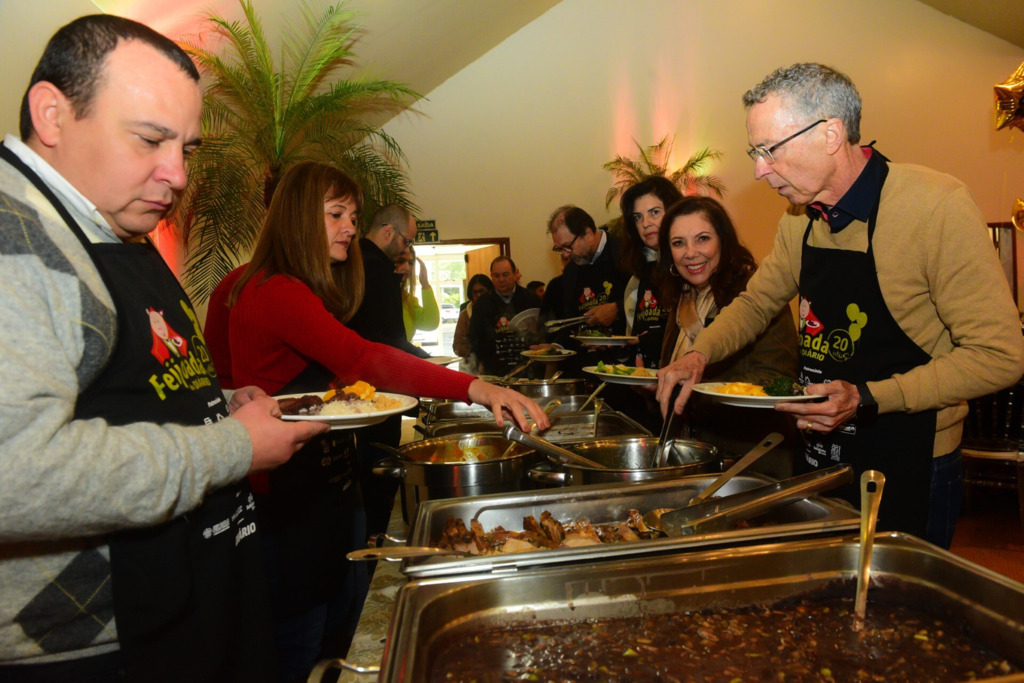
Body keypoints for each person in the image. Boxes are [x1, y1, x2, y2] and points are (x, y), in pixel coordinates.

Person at [0, 15, 324, 682]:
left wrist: (221, 404)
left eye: (187, 148)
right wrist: (231, 445)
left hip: (191, 600)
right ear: (52, 113)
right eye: (150, 140)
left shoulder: (110, 219)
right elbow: (16, 472)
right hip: (92, 646)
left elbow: (130, 384)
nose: (175, 175)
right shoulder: (15, 239)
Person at [204, 161, 548, 680]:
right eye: (337, 214)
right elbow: (363, 359)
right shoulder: (276, 289)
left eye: (353, 214)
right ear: (298, 217)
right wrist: (476, 388)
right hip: (289, 502)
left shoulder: (290, 285)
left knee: (334, 636)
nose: (349, 227)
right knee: (303, 651)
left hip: (319, 489)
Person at [656, 62, 1024, 548]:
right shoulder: (799, 217)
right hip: (821, 453)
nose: (758, 170)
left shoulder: (934, 206)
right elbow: (757, 301)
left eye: (770, 151)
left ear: (830, 133)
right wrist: (697, 353)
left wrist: (868, 397)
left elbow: (1001, 356)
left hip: (910, 458)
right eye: (755, 152)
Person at [656, 197, 798, 475]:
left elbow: (778, 381)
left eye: (703, 239)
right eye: (678, 243)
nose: (690, 253)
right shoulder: (681, 298)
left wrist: (697, 389)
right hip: (694, 453)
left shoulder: (757, 294)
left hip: (750, 458)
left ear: (723, 240)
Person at [618, 176, 684, 369]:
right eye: (638, 217)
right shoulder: (637, 278)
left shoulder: (693, 268)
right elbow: (632, 333)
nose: (645, 223)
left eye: (654, 212)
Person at [347, 204, 428, 358]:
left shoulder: (354, 260)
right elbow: (387, 339)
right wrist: (430, 363)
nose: (406, 249)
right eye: (406, 242)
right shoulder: (375, 268)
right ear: (388, 232)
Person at [469, 256, 542, 376]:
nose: (501, 279)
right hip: (493, 370)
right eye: (496, 275)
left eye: (506, 274)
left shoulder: (531, 298)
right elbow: (474, 337)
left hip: (528, 367)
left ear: (515, 274)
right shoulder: (482, 303)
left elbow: (542, 331)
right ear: (491, 277)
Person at [395, 246, 440, 341]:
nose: (407, 267)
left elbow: (430, 323)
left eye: (411, 263)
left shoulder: (408, 299)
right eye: (401, 261)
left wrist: (425, 285)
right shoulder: (378, 294)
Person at [453, 273, 493, 363]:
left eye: (481, 291)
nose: (478, 295)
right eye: (475, 292)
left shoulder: (497, 309)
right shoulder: (465, 315)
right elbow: (457, 345)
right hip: (472, 365)